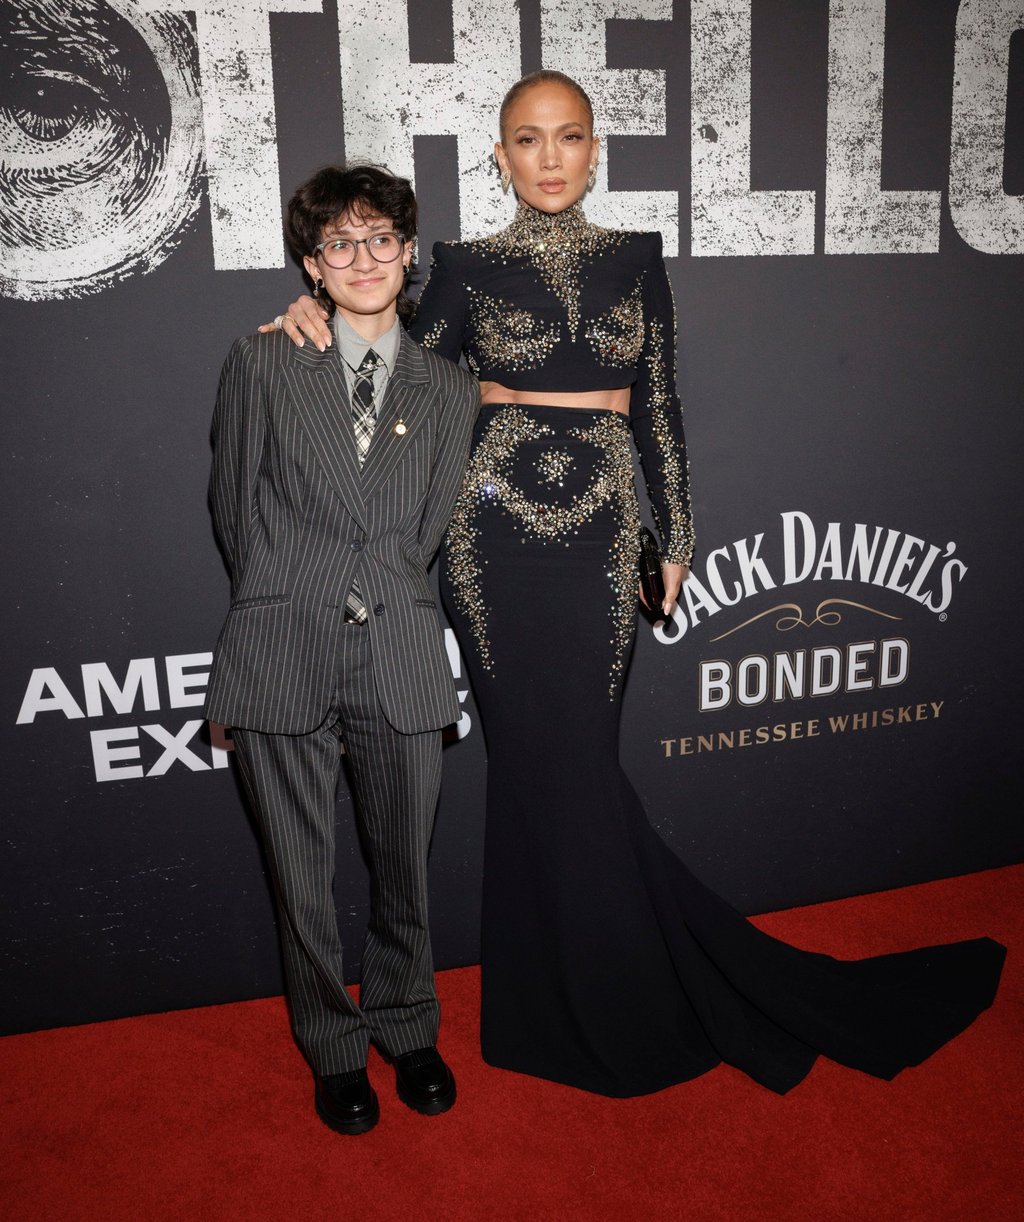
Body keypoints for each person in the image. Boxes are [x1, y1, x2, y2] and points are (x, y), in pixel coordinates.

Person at [264, 73, 1005, 1098]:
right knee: (539, 774)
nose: (551, 157)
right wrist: (315, 313)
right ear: (500, 156)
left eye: (569, 137)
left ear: (595, 148)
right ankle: (562, 1005)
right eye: (528, 140)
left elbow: (656, 402)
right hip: (491, 543)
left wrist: (674, 532)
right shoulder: (466, 266)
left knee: (578, 768)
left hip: (606, 536)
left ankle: (610, 987)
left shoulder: (636, 259)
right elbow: (401, 374)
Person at [206, 163, 479, 1132]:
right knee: (300, 873)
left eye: (380, 239)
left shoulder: (451, 388)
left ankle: (408, 1024)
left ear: (408, 253)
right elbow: (235, 513)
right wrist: (292, 597)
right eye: (338, 244)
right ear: (312, 266)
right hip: (283, 642)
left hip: (401, 652)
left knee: (405, 865)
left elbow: (433, 524)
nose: (361, 258)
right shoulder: (263, 361)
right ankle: (331, 1043)